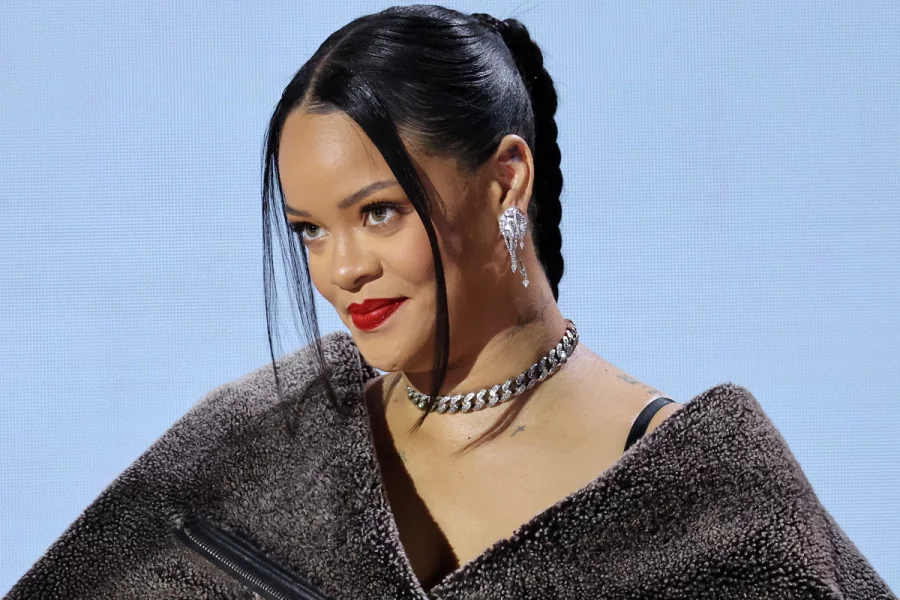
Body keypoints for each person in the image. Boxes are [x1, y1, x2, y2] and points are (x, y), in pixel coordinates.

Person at [5, 4, 896, 599]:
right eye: (309, 230)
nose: (342, 270)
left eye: (378, 212)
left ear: (506, 181)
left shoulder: (710, 497)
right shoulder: (256, 442)